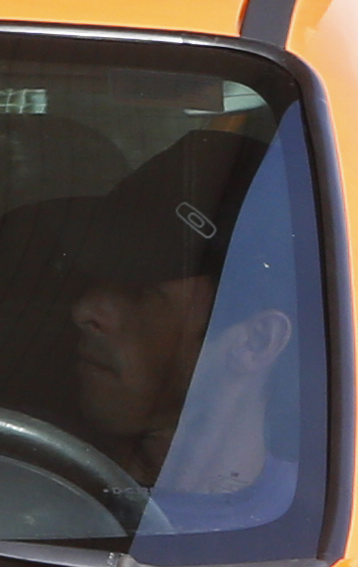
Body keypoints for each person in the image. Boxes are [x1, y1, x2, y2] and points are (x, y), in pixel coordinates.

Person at [60, 131, 297, 524]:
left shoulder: (309, 542)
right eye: (95, 272)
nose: (83, 310)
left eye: (141, 291)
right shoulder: (19, 489)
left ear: (256, 343)